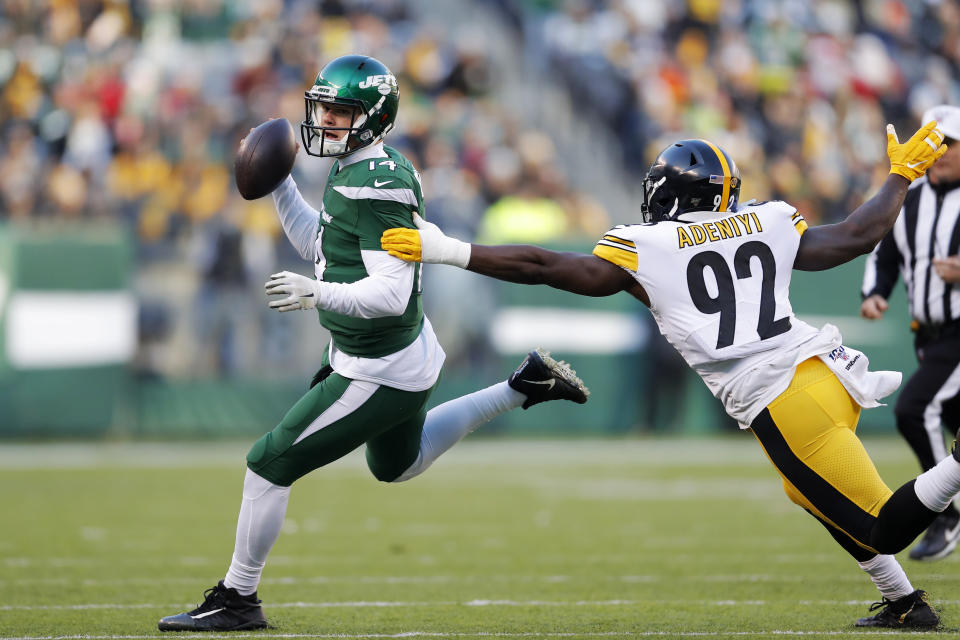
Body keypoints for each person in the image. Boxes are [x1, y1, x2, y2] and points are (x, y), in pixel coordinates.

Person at [382, 123, 956, 629]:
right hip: (825, 377)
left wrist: (452, 251)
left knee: (883, 526)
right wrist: (900, 175)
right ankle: (904, 602)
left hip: (782, 400)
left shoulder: (648, 245)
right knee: (805, 492)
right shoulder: (768, 220)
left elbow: (545, 266)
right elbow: (857, 235)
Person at [157, 55, 589, 632]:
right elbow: (321, 242)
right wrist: (281, 184)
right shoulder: (359, 168)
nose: (326, 122)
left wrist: (316, 295)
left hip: (378, 367)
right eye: (324, 108)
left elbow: (385, 294)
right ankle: (521, 386)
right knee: (398, 466)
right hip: (393, 354)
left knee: (267, 464)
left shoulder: (375, 184)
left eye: (340, 112)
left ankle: (238, 597)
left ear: (373, 118)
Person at [860, 105, 960, 562]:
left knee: (915, 411)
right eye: (932, 143)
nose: (939, 153)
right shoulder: (911, 197)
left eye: (949, 144)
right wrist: (876, 291)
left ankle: (947, 512)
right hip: (927, 334)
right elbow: (886, 253)